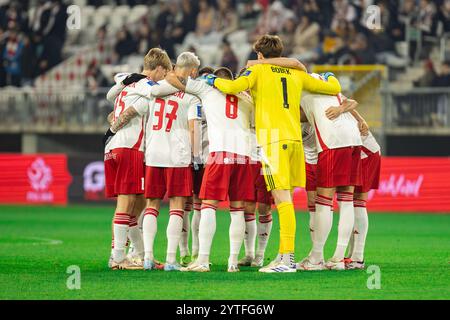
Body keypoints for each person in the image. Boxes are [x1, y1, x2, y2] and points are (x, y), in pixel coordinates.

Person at [203, 35, 341, 273]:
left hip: (273, 142)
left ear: (259, 55)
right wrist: (330, 76)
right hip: (295, 141)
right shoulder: (296, 74)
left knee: (283, 201)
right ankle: (282, 255)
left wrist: (211, 80)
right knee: (285, 199)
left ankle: (287, 260)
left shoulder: (257, 72)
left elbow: (233, 87)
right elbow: (333, 88)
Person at [164, 67, 255, 272]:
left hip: (220, 153)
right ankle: (233, 262)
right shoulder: (246, 98)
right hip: (243, 156)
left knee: (208, 206)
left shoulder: (207, 90)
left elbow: (172, 78)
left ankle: (202, 260)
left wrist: (201, 79)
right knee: (237, 209)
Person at [103, 48, 172, 270]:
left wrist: (113, 122)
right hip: (129, 148)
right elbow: (160, 93)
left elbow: (110, 97)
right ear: (159, 69)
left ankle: (142, 256)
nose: (164, 77)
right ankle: (118, 257)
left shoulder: (126, 87)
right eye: (165, 72)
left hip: (113, 148)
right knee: (126, 205)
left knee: (134, 205)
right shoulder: (147, 86)